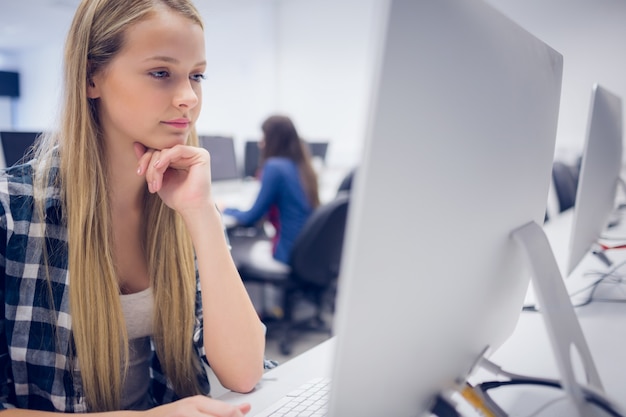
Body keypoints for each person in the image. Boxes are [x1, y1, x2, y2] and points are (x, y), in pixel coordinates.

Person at [0, 0, 266, 415]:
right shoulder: (12, 213)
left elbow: (244, 373)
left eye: (197, 75)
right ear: (92, 78)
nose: (187, 98)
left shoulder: (182, 203)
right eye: (161, 73)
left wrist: (202, 216)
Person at [222, 115, 321, 265]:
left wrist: (226, 209)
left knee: (233, 254)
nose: (261, 143)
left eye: (264, 136)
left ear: (274, 139)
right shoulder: (302, 166)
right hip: (307, 252)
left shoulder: (275, 167)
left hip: (287, 253)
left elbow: (251, 217)